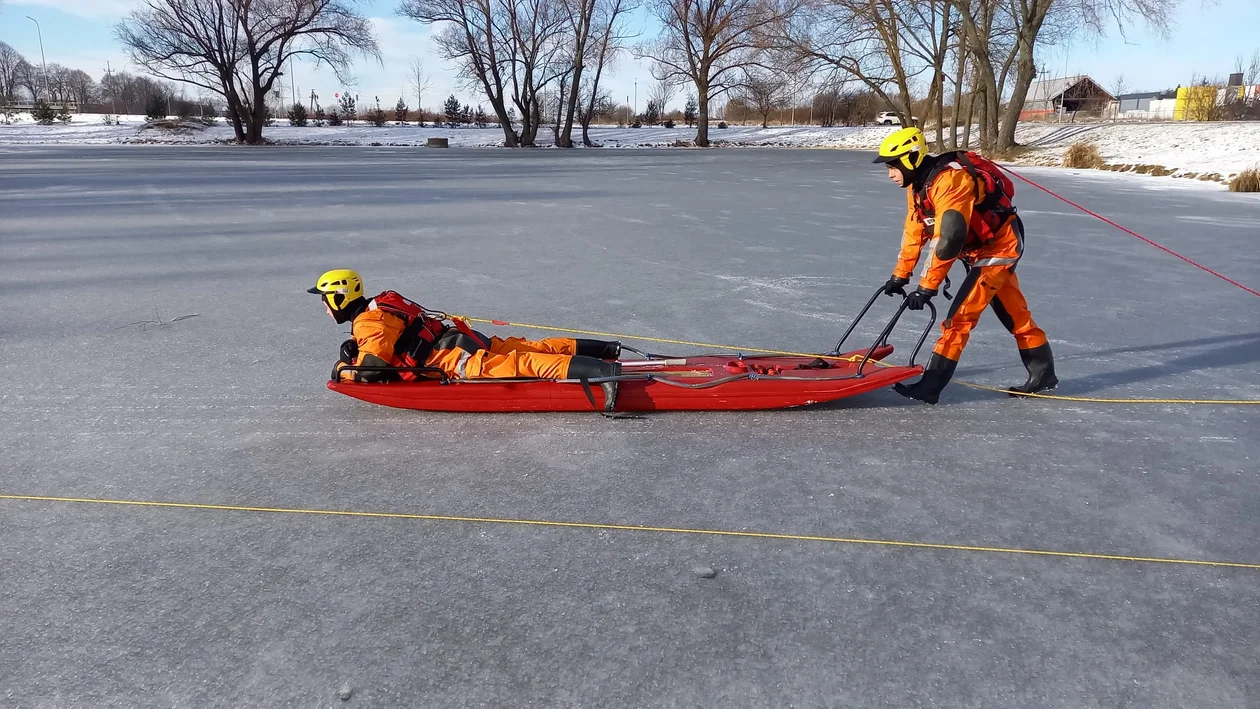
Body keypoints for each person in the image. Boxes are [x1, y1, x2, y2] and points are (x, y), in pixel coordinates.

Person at [871, 127, 1058, 404]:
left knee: (959, 319)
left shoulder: (951, 182)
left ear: (911, 159)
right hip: (976, 251)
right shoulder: (919, 187)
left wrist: (926, 288)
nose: (890, 174)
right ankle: (1044, 374)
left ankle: (931, 386)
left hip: (998, 248)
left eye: (893, 166)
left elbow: (949, 239)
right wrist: (900, 275)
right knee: (1013, 312)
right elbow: (915, 232)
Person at [308, 269, 622, 386]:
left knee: (518, 363)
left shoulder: (368, 322)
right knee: (526, 346)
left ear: (339, 299)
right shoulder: (380, 304)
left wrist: (343, 365)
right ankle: (604, 350)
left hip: (448, 358)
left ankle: (601, 372)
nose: (324, 306)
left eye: (325, 299)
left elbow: (373, 370)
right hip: (457, 336)